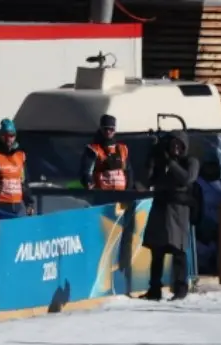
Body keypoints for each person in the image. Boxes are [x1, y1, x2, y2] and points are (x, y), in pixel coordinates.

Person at [140, 130, 199, 301]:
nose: (176, 148)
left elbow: (187, 179)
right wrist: (153, 159)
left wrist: (170, 163)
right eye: (173, 144)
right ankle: (154, 289)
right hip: (160, 208)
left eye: (179, 145)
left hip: (179, 211)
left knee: (178, 250)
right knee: (156, 251)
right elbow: (148, 180)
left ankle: (181, 289)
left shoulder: (191, 161)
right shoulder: (161, 160)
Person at [0, 118, 34, 215]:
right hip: (1, 204)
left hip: (17, 204)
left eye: (11, 136)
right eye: (5, 136)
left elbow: (23, 181)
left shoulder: (20, 156)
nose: (9, 139)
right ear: (1, 136)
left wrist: (29, 203)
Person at [80, 114, 134, 191]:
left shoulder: (123, 149)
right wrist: (88, 182)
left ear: (115, 130)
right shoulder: (93, 149)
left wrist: (129, 189)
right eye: (105, 129)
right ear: (101, 129)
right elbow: (85, 172)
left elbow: (128, 171)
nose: (108, 132)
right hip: (102, 195)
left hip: (121, 194)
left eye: (111, 129)